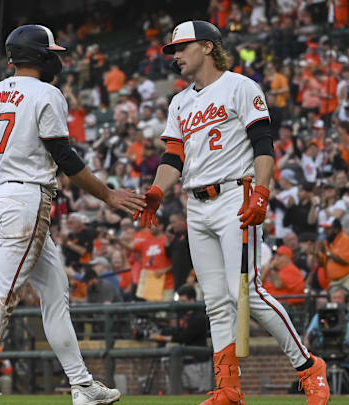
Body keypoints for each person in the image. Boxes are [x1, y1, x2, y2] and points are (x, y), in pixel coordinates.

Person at [0, 25, 145, 405]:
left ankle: (83, 386)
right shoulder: (47, 92)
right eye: (51, 52)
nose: (56, 58)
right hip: (27, 199)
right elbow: (66, 159)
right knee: (0, 297)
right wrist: (107, 194)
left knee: (55, 292)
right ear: (40, 56)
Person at [135, 20, 329, 405]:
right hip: (197, 203)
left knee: (248, 293)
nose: (175, 57)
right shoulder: (179, 102)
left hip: (234, 197)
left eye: (182, 48)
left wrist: (262, 192)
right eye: (173, 50)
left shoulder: (240, 86)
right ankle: (228, 387)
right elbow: (173, 156)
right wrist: (158, 188)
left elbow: (263, 144)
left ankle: (308, 367)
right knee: (216, 301)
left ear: (207, 47)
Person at [149, 284, 212, 393]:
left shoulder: (199, 317)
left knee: (199, 393)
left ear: (192, 300)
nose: (182, 304)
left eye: (184, 301)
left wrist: (161, 337)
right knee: (186, 391)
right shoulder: (183, 315)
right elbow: (177, 332)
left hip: (199, 361)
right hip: (186, 360)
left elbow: (185, 336)